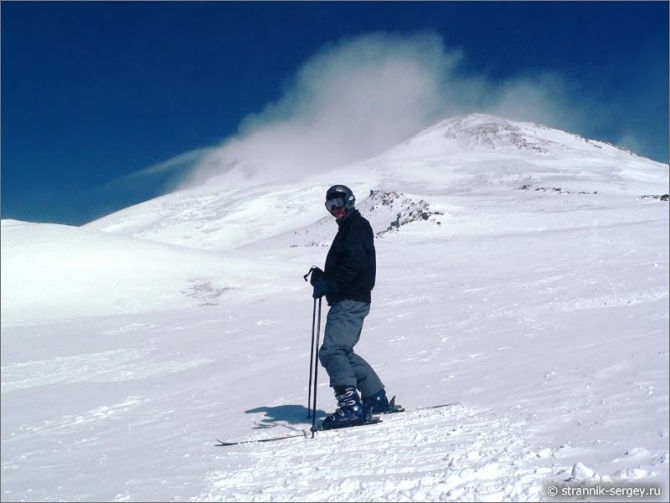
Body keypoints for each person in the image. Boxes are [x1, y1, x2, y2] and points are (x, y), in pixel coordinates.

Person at [309, 184, 393, 430]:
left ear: (350, 201)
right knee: (343, 351)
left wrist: (330, 283)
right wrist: (324, 278)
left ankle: (350, 408)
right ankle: (374, 398)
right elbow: (351, 264)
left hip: (349, 298)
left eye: (338, 202)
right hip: (352, 297)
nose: (335, 209)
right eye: (330, 205)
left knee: (331, 351)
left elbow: (355, 264)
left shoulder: (356, 226)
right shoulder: (350, 228)